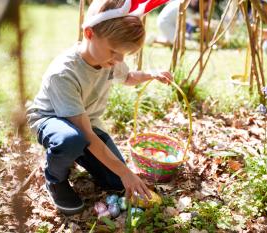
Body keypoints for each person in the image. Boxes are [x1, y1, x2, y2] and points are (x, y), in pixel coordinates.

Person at [26, 0, 172, 215]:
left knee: (115, 181)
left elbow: (129, 76)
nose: (119, 59)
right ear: (89, 33)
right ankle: (55, 179)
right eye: (114, 51)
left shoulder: (110, 59)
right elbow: (85, 133)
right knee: (71, 140)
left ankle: (74, 153)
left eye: (124, 54)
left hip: (84, 123)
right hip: (51, 120)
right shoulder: (64, 73)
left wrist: (151, 74)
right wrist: (126, 172)